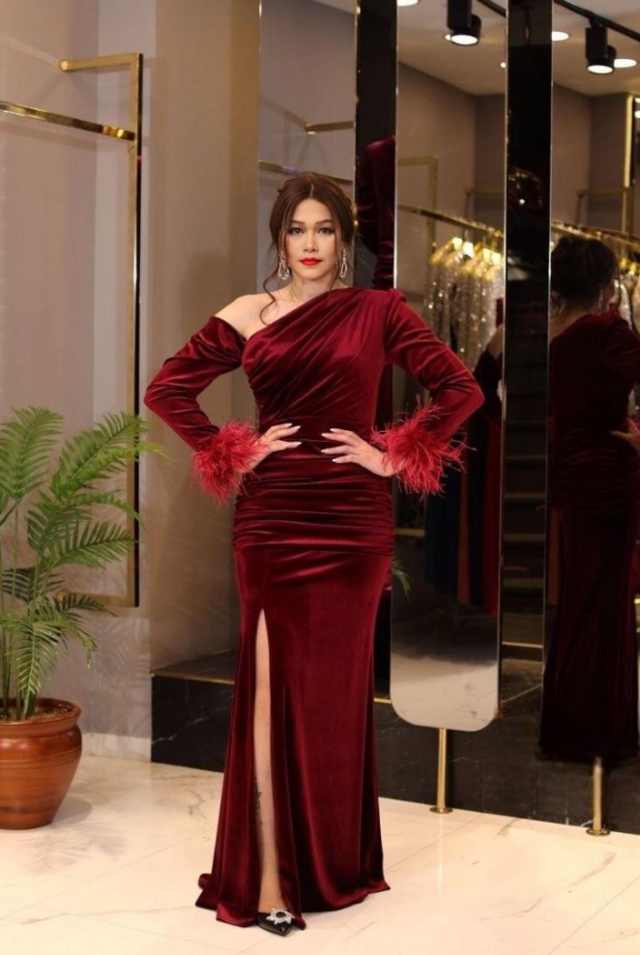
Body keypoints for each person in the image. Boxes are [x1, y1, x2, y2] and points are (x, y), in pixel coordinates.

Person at [143, 172, 484, 935]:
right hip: (271, 523)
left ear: (344, 239)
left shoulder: (378, 311)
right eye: (296, 229)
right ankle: (269, 877)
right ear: (279, 237)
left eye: (324, 229)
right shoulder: (249, 313)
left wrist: (391, 457)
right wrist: (233, 447)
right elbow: (167, 389)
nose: (309, 243)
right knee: (268, 692)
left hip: (352, 526)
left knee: (333, 697)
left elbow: (461, 389)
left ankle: (332, 862)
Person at [540, 235, 640, 762]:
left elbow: (489, 392)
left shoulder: (540, 331)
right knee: (606, 604)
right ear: (606, 284)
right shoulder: (606, 331)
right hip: (607, 480)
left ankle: (568, 725)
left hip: (565, 478)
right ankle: (598, 730)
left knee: (581, 598)